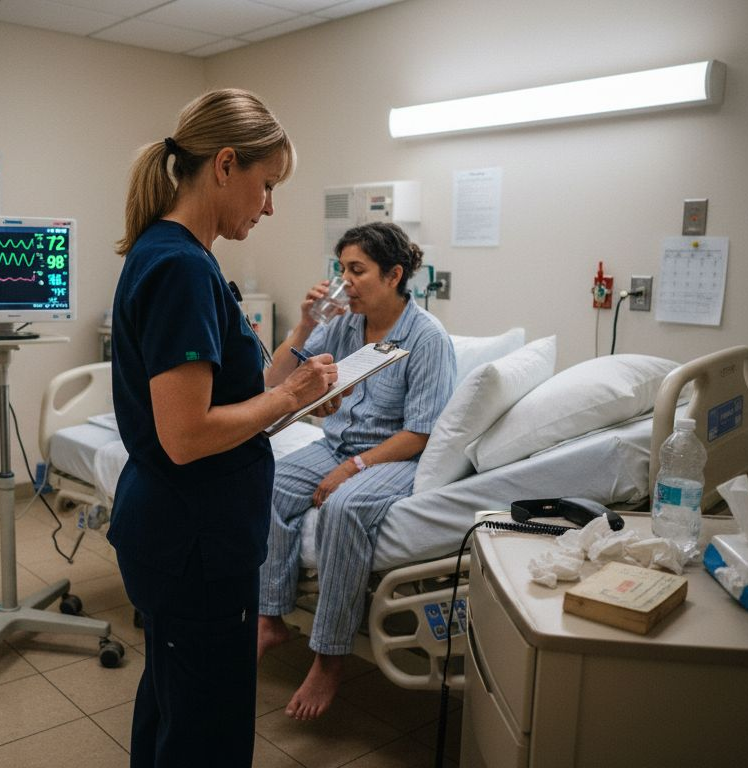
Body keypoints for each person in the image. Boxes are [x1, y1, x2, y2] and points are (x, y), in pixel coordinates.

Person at [109, 89, 337, 768]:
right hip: (193, 543)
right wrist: (290, 395)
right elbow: (186, 434)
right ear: (226, 165)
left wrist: (297, 366)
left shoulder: (178, 255)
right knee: (205, 735)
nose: (269, 207)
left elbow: (238, 401)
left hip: (184, 537)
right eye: (266, 186)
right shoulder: (180, 267)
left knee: (176, 708)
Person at [257, 221, 457, 720]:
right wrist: (304, 324)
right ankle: (269, 616)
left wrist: (353, 468)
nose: (345, 281)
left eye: (357, 270)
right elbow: (278, 378)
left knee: (343, 509)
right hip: (337, 442)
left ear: (393, 275)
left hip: (395, 454)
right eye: (341, 268)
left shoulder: (426, 338)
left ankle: (329, 657)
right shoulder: (344, 324)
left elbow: (423, 432)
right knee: (271, 480)